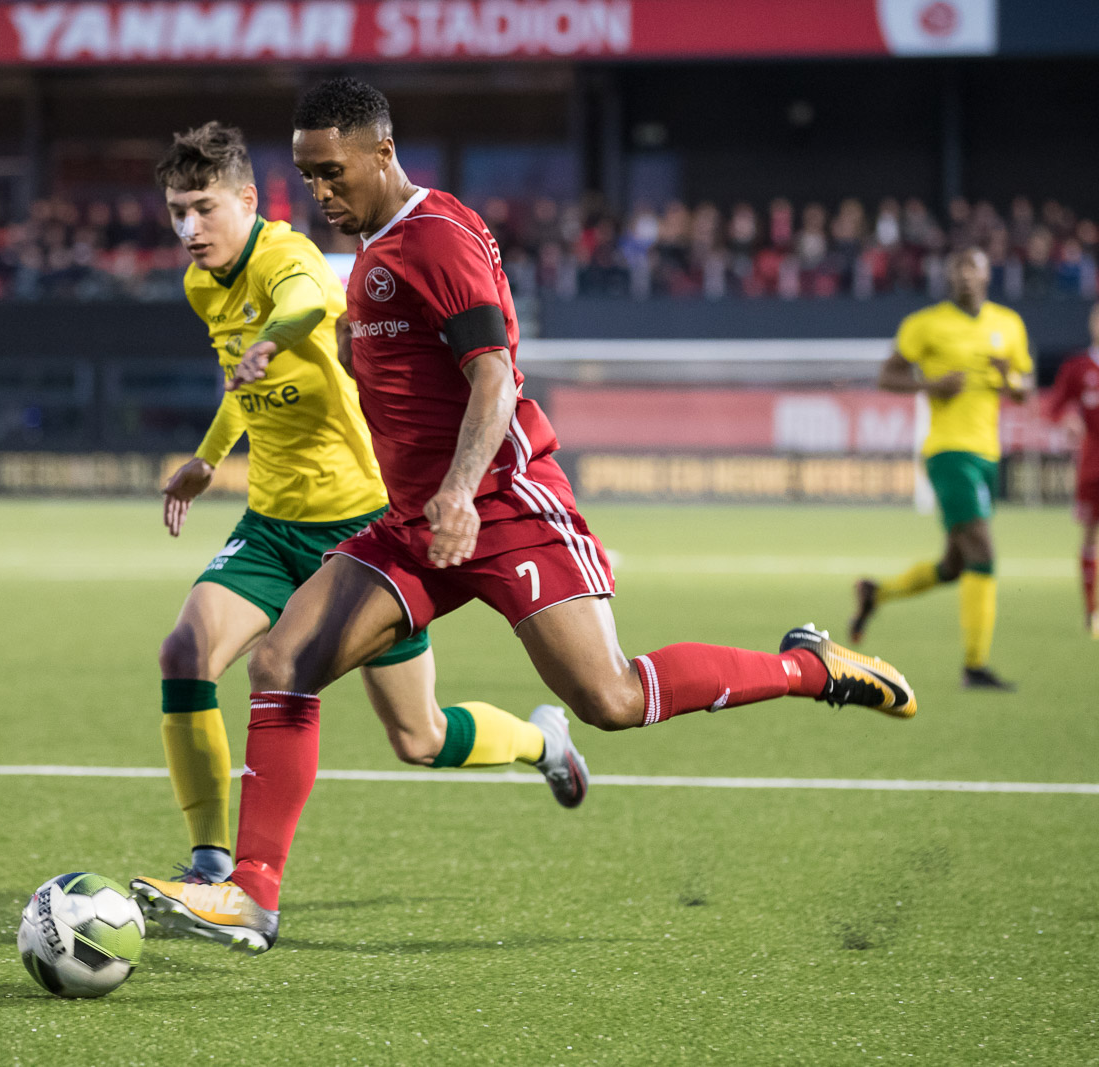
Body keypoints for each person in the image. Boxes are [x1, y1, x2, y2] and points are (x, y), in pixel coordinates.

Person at [131, 78, 916, 954]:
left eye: (333, 173)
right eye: (309, 177)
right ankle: (251, 891)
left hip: (505, 505)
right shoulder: (381, 247)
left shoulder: (435, 238)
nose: (320, 194)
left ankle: (809, 668)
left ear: (382, 153)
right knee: (282, 660)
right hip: (412, 523)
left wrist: (462, 489)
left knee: (610, 697)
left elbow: (494, 375)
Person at [152, 121, 588, 885]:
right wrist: (207, 458)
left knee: (417, 736)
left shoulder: (290, 259)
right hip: (272, 524)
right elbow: (242, 382)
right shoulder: (200, 285)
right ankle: (211, 864)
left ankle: (542, 741)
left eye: (205, 209)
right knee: (184, 653)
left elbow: (298, 308)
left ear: (249, 202)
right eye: (177, 211)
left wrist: (274, 339)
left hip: (361, 530)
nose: (190, 229)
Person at [850, 247, 1032, 689]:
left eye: (973, 268)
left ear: (988, 275)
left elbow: (1025, 391)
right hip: (949, 453)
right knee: (983, 554)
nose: (965, 276)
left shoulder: (1008, 325)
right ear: (949, 278)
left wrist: (1010, 378)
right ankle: (975, 666)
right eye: (957, 270)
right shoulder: (925, 324)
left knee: (955, 564)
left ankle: (877, 593)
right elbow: (887, 376)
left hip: (988, 454)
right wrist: (930, 384)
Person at [1042, 301, 1099, 637]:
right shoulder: (1078, 367)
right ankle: (1091, 611)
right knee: (1089, 534)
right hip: (1093, 466)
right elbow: (1054, 407)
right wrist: (1066, 419)